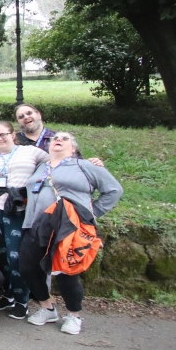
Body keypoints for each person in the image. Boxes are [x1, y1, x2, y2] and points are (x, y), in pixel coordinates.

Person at [20, 132, 123, 335]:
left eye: (65, 138)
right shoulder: (42, 167)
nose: (58, 140)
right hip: (36, 226)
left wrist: (90, 213)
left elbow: (114, 190)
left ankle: (74, 315)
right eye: (55, 138)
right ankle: (47, 308)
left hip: (67, 228)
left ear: (73, 148)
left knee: (66, 272)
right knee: (27, 267)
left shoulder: (84, 166)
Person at [0, 121, 49, 320]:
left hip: (19, 210)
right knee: (2, 255)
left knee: (16, 257)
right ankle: (9, 294)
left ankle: (22, 300)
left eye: (3, 134)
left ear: (13, 135)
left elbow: (55, 161)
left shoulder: (31, 152)